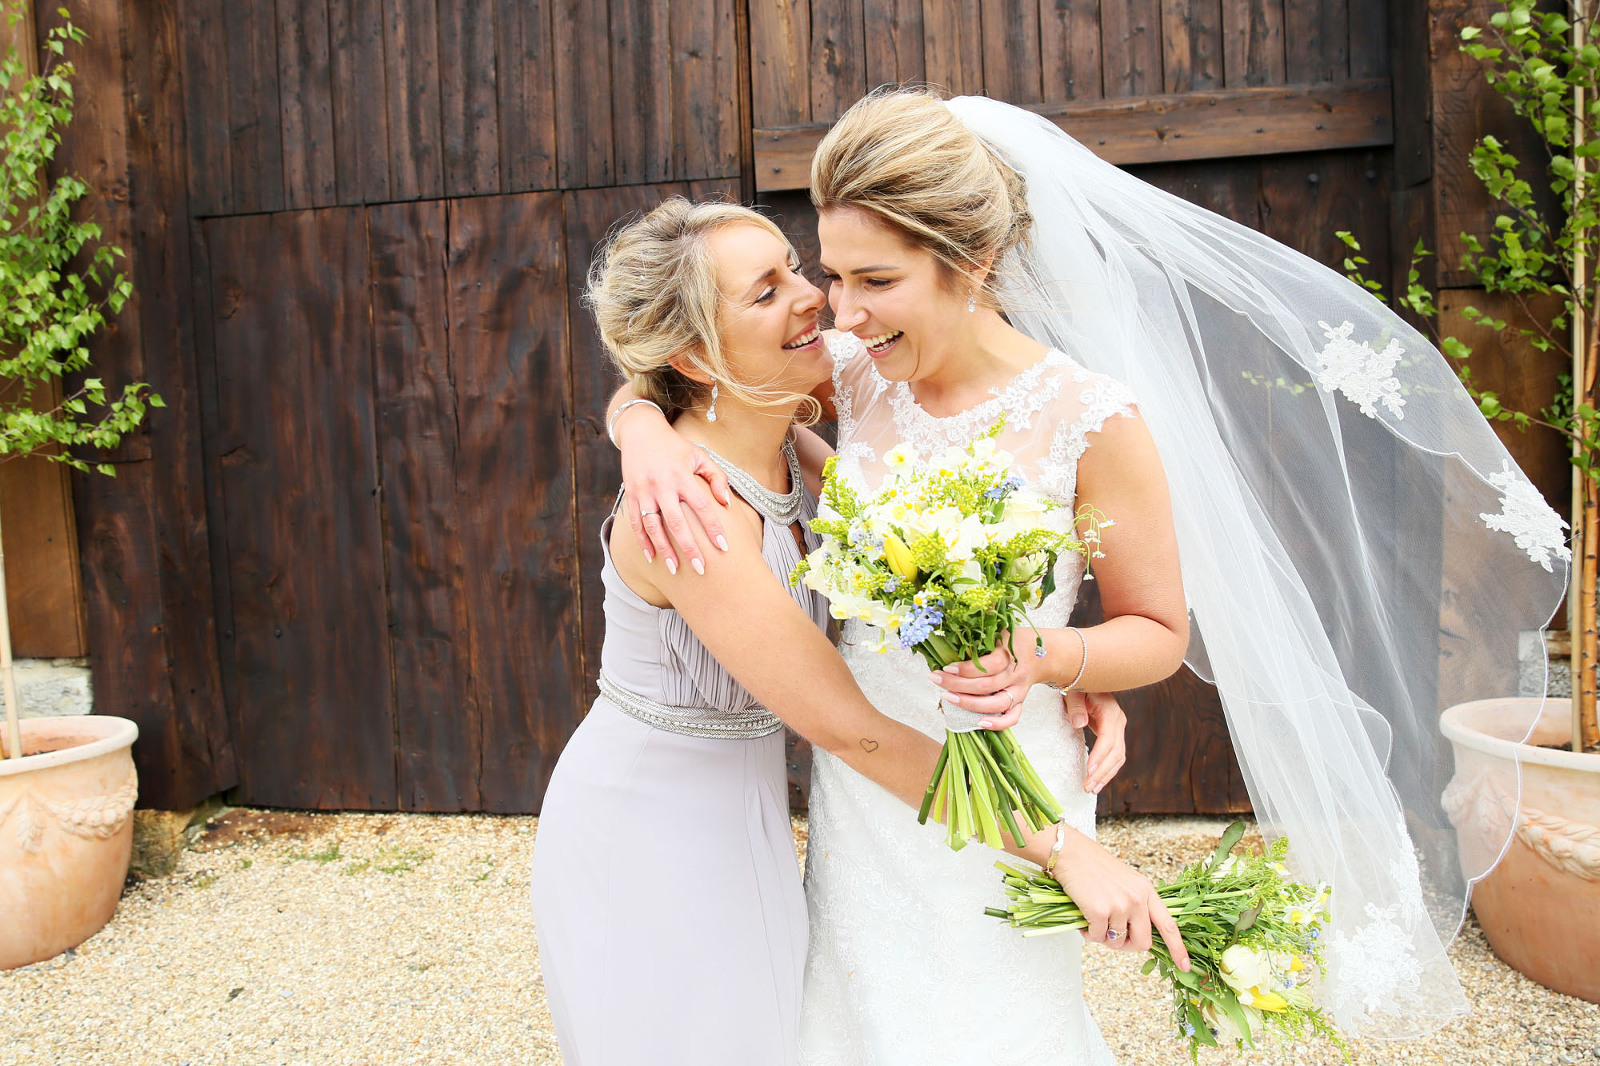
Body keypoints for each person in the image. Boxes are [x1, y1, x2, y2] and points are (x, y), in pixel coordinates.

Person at [610, 87, 1573, 1055]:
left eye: (874, 279)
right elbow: (687, 364)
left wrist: (1058, 657)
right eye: (832, 275)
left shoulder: (1091, 421)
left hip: (1013, 772)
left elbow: (1157, 630)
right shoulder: (855, 373)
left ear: (970, 262)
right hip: (869, 790)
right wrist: (639, 431)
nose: (841, 310)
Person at [529, 197, 1188, 1066]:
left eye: (806, 272)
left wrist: (1055, 653)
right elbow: (853, 728)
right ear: (697, 352)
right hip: (652, 821)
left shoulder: (795, 448)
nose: (823, 304)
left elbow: (896, 557)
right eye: (771, 291)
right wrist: (1064, 847)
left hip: (750, 809)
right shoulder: (695, 516)